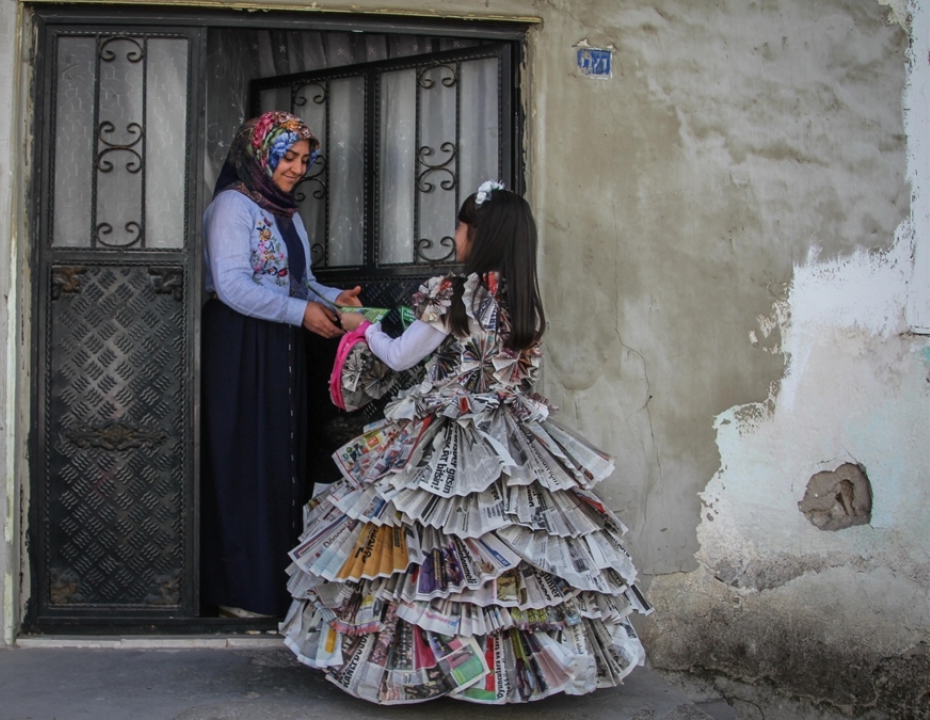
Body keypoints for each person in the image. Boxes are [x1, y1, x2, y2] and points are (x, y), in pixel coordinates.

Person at [280, 183, 652, 704]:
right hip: (515, 439)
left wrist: (361, 331)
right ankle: (503, 671)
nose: (454, 236)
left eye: (459, 227)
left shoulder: (452, 294)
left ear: (475, 235)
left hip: (448, 430)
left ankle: (433, 665)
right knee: (507, 542)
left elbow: (401, 356)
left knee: (430, 541)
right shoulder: (522, 301)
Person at [200, 111, 361, 619]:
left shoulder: (284, 212)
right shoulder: (232, 207)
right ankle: (238, 591)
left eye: (304, 160)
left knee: (278, 461)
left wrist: (339, 299)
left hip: (279, 346)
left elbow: (300, 281)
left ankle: (273, 589)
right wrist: (301, 312)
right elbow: (232, 286)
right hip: (241, 347)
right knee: (244, 459)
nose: (297, 169)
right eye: (287, 157)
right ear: (258, 153)